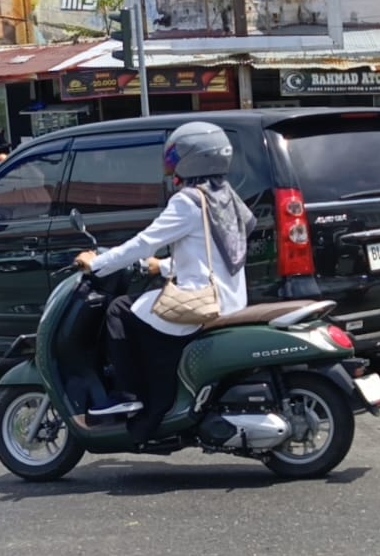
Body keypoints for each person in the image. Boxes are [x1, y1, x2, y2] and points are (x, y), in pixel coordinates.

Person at [73, 122, 255, 444]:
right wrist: (164, 265)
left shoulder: (188, 200)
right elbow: (216, 250)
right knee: (143, 309)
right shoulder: (224, 196)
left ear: (193, 157)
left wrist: (97, 263)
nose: (170, 164)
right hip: (230, 297)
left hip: (200, 301)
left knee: (119, 310)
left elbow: (145, 242)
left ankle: (130, 395)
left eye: (174, 155)